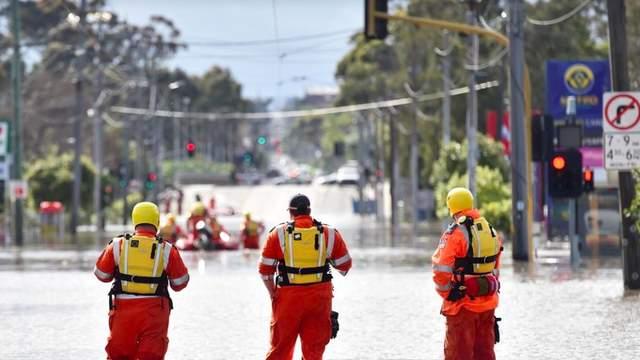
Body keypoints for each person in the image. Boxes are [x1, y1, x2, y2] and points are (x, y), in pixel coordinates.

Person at [259, 194, 352, 360]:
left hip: (288, 299)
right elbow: (345, 265)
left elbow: (265, 272)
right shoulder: (329, 234)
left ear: (291, 213)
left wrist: (272, 293)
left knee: (280, 350)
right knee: (314, 352)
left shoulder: (278, 234)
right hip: (319, 299)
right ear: (309, 210)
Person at [94, 201, 190, 360]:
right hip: (155, 313)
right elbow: (180, 283)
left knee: (119, 355)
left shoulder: (118, 245)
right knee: (151, 356)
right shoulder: (167, 249)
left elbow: (101, 275)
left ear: (134, 221)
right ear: (157, 222)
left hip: (123, 312)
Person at [432, 187, 503, 360]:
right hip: (488, 304)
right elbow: (495, 267)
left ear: (452, 208)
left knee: (458, 354)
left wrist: (449, 293)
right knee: (485, 354)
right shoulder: (489, 229)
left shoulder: (455, 233)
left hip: (462, 306)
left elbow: (440, 269)